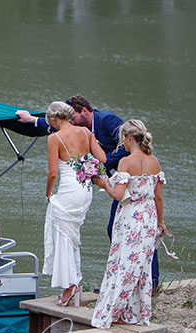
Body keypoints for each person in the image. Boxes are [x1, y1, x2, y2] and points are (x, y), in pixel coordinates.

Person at [16, 94, 159, 285]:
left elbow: (127, 145)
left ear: (84, 111)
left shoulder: (108, 121)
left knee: (136, 232)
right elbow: (61, 125)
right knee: (116, 230)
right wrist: (32, 120)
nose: (72, 121)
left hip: (127, 179)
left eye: (74, 117)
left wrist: (101, 169)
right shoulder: (83, 131)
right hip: (104, 185)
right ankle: (123, 279)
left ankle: (149, 279)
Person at [90, 119, 165, 328]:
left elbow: (117, 194)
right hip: (149, 216)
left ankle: (115, 311)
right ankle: (137, 312)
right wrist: (160, 222)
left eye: (123, 138)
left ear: (130, 138)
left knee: (122, 263)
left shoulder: (126, 162)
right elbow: (158, 197)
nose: (122, 142)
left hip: (131, 216)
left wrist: (103, 183)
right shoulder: (154, 162)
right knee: (141, 265)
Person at [42, 100, 109, 307]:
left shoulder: (54, 138)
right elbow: (103, 158)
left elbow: (53, 173)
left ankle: (70, 284)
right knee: (71, 235)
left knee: (63, 235)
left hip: (69, 189)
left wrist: (48, 193)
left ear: (54, 118)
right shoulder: (85, 132)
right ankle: (74, 280)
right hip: (85, 188)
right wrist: (88, 166)